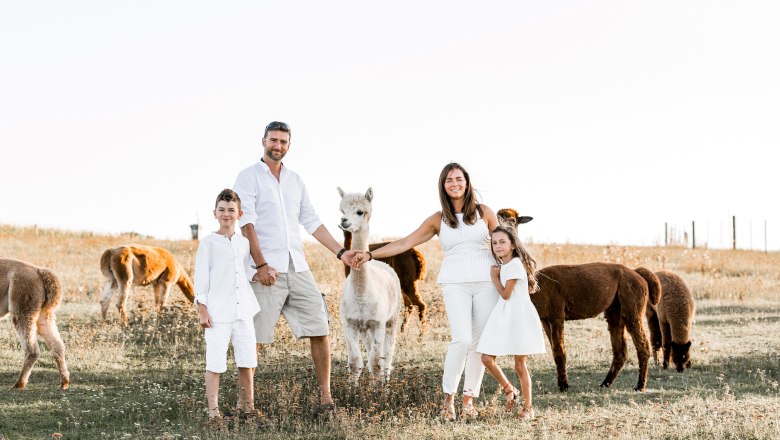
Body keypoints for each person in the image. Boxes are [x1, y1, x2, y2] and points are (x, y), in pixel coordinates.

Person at [352, 162, 499, 420]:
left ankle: (469, 401)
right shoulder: (438, 219)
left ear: (467, 182)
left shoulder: (485, 212)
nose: (454, 184)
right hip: (455, 283)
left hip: (487, 282)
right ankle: (448, 401)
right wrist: (370, 254)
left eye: (458, 179)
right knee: (461, 339)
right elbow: (405, 242)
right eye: (449, 180)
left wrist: (519, 272)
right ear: (443, 186)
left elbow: (503, 243)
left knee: (478, 344)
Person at [233, 121, 357, 410]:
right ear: (263, 141)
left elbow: (311, 221)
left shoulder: (295, 180)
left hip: (297, 266)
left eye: (283, 142)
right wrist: (261, 264)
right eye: (273, 140)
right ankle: (246, 404)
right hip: (266, 269)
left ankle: (326, 398)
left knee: (320, 327)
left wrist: (342, 253)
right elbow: (246, 222)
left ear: (289, 146)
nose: (278, 146)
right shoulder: (248, 177)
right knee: (254, 337)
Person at [193, 189, 264, 428]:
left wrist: (261, 274)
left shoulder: (243, 243)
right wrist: (202, 309)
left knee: (247, 361)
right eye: (222, 210)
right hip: (217, 314)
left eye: (231, 210)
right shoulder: (208, 244)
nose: (226, 214)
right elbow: (201, 278)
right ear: (215, 213)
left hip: (243, 311)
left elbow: (244, 273)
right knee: (215, 363)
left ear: (239, 214)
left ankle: (248, 409)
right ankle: (214, 414)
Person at [477, 224, 546, 420]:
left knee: (519, 365)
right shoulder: (506, 265)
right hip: (503, 314)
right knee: (486, 358)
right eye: (495, 242)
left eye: (502, 242)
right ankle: (510, 389)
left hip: (518, 315)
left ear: (513, 244)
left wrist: (494, 278)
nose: (497, 246)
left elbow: (507, 294)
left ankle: (528, 408)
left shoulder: (515, 264)